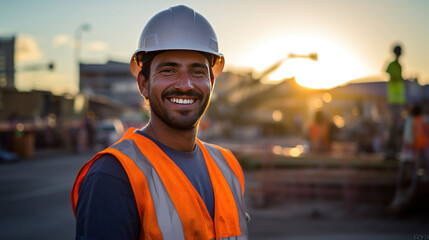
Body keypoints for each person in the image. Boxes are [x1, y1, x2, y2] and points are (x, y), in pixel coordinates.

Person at [71, 5, 249, 240]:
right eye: (169, 71)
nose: (185, 84)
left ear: (211, 83)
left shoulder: (228, 167)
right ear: (143, 84)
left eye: (197, 72)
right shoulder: (114, 175)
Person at [385, 45, 406, 160]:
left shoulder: (398, 65)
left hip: (398, 102)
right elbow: (392, 77)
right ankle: (390, 151)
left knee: (398, 127)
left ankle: (394, 151)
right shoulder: (393, 65)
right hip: (394, 102)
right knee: (393, 127)